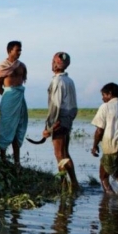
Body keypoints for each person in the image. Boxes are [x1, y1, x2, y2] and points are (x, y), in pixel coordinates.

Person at [43, 51, 80, 190]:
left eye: (53, 61)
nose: (52, 64)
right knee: (65, 152)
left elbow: (55, 106)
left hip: (59, 120)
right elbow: (74, 107)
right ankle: (73, 183)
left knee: (59, 154)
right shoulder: (69, 81)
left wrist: (50, 127)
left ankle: (64, 183)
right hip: (67, 120)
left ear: (56, 64)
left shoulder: (57, 81)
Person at [0, 41, 28, 167]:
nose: (19, 53)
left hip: (20, 97)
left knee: (18, 128)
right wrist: (9, 97)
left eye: (20, 50)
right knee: (6, 127)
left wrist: (16, 95)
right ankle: (2, 158)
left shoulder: (22, 66)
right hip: (8, 97)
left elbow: (22, 81)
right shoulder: (2, 67)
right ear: (9, 51)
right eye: (17, 50)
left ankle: (17, 161)